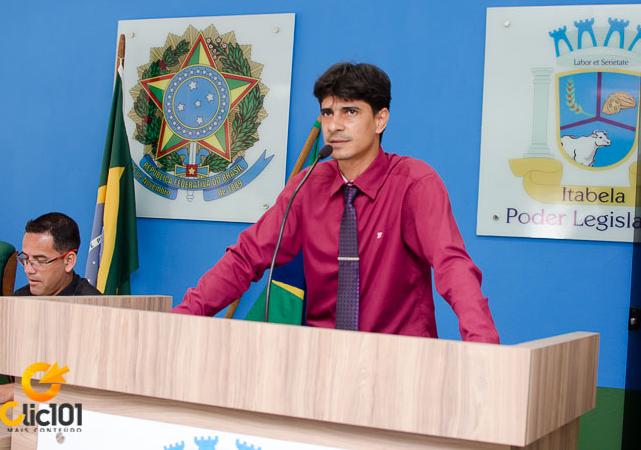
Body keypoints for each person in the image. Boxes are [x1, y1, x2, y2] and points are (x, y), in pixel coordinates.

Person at [173, 62, 499, 343]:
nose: (334, 125)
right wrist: (176, 323)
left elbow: (452, 265)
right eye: (327, 112)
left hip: (401, 360)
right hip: (323, 359)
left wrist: (484, 348)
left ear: (380, 120)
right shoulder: (307, 186)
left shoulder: (414, 183)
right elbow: (245, 258)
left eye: (350, 112)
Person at [0, 212, 100, 405]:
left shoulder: (95, 309)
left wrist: (12, 391)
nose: (28, 269)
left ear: (69, 261)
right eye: (25, 258)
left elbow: (89, 384)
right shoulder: (21, 299)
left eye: (40, 260)